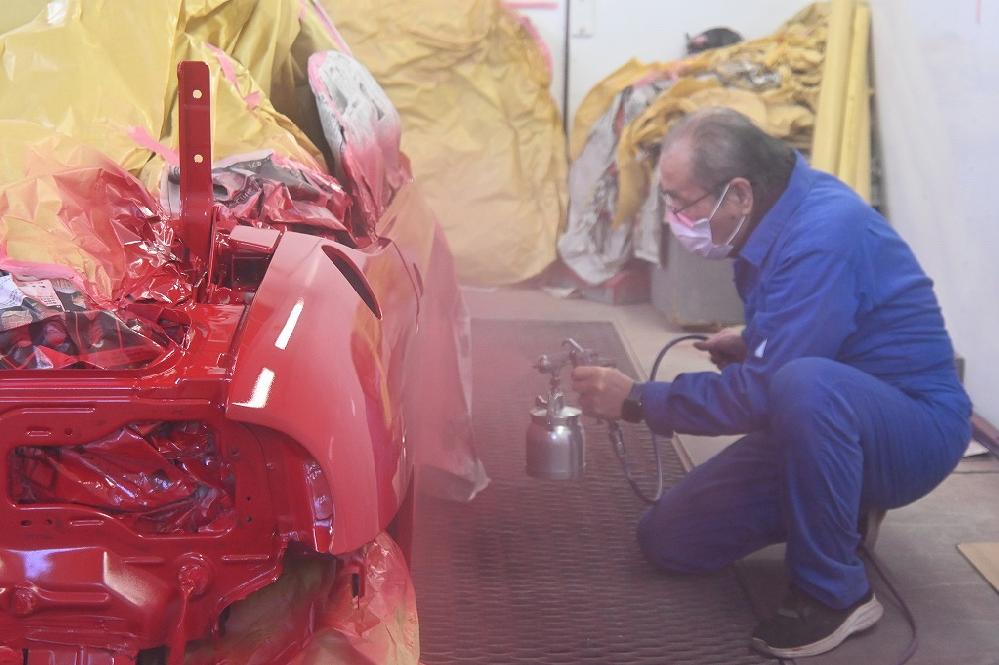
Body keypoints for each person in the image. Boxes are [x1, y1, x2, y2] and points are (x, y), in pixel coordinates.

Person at [571, 107, 972, 658]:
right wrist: (756, 339)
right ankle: (841, 505)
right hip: (833, 414)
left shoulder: (823, 233)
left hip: (914, 427)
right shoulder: (773, 217)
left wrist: (638, 400)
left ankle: (836, 594)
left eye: (680, 201)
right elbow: (815, 323)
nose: (672, 218)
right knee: (670, 540)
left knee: (802, 384)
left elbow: (764, 392)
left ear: (739, 193)